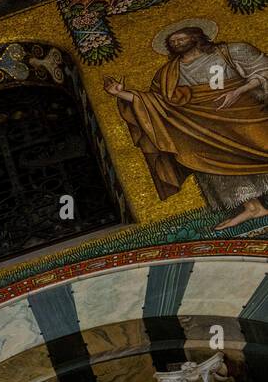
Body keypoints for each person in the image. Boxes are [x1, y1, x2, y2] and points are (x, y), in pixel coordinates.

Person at [105, 18, 268, 230]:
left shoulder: (231, 51)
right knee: (202, 159)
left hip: (244, 115)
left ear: (197, 36)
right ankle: (253, 207)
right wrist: (121, 94)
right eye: (172, 40)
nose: (177, 42)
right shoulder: (167, 73)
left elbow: (264, 71)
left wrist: (238, 92)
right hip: (200, 129)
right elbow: (157, 104)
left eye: (182, 37)